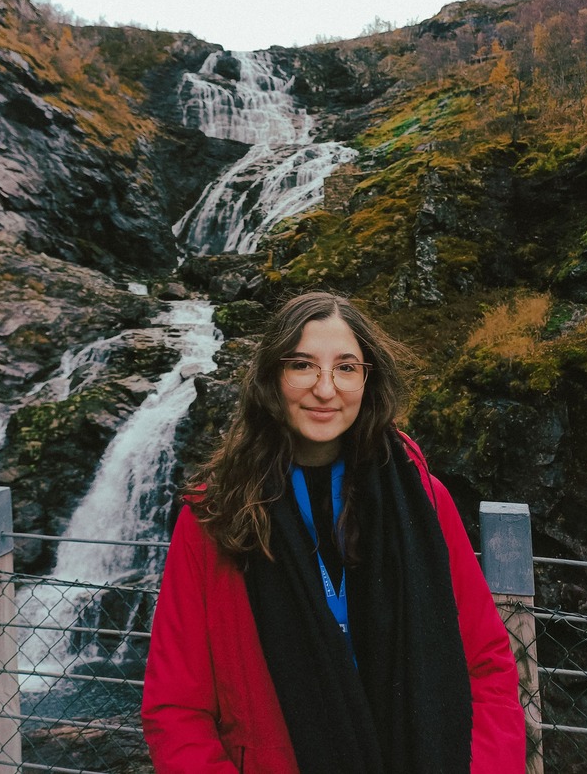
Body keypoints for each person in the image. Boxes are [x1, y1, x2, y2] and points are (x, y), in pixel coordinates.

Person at [142, 291, 526, 773]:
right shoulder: (215, 515)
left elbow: (487, 665)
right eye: (302, 364)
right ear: (272, 378)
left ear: (369, 379)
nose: (325, 389)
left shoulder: (424, 499)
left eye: (346, 367)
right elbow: (176, 709)